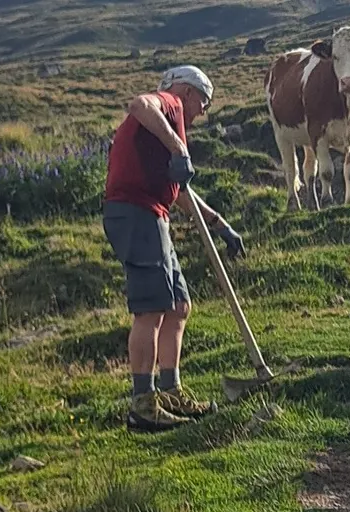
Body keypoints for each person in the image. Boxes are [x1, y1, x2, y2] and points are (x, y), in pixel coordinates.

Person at [102, 65, 247, 433]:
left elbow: (179, 191)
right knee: (151, 310)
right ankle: (143, 404)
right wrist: (179, 146)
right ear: (187, 92)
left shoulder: (163, 131)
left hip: (154, 213)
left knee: (179, 306)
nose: (202, 112)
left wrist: (220, 224)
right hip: (135, 212)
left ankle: (170, 391)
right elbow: (138, 104)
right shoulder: (168, 106)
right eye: (204, 102)